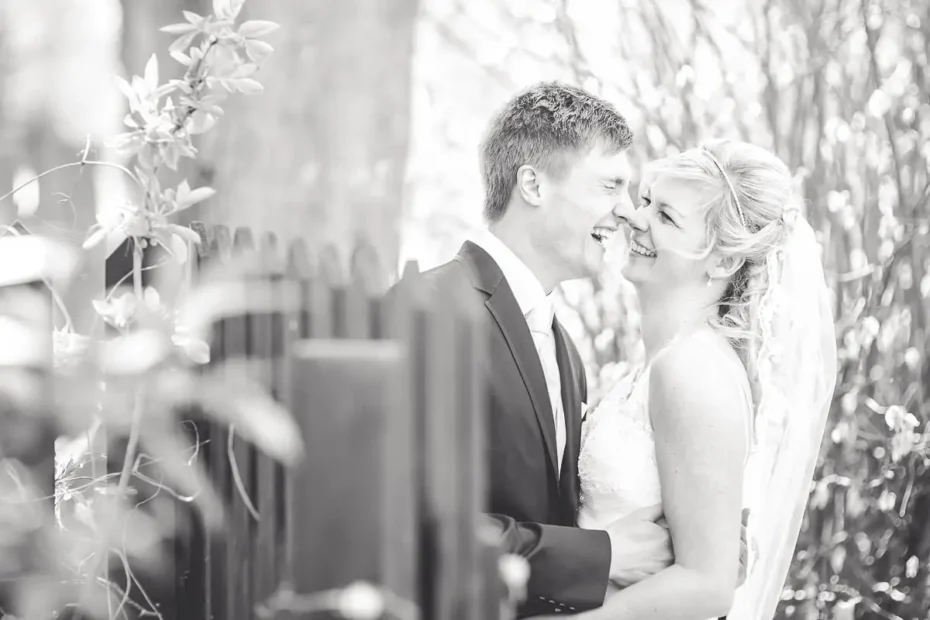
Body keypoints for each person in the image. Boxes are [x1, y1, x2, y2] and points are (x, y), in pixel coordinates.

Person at [534, 140, 836, 619]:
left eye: (667, 217)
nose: (636, 217)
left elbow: (706, 586)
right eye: (648, 200)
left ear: (723, 261)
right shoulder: (658, 364)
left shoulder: (691, 370)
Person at [404, 82, 675, 617]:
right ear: (533, 184)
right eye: (609, 186)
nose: (626, 212)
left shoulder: (562, 347)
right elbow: (412, 518)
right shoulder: (430, 309)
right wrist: (602, 554)